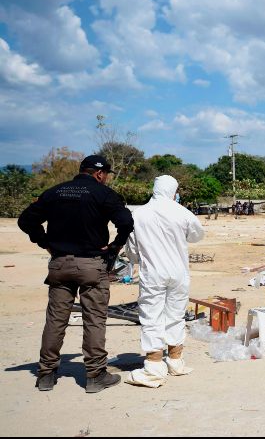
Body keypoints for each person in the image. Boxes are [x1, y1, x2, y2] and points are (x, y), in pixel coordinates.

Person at [18, 155, 133, 393]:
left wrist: (45, 243)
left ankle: (46, 374)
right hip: (92, 265)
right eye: (106, 175)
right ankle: (95, 375)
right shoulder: (103, 194)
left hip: (59, 265)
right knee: (94, 320)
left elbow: (26, 220)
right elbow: (126, 222)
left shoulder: (54, 192)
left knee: (55, 320)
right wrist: (114, 247)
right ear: (99, 174)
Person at [124, 175, 204, 388]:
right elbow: (197, 236)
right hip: (179, 272)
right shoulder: (182, 212)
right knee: (176, 315)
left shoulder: (138, 214)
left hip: (153, 273)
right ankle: (176, 361)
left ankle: (153, 366)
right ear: (174, 191)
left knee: (151, 316)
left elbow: (131, 251)